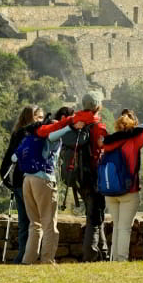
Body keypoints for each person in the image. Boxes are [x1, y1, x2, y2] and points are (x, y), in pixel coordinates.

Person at [40, 92, 108, 262]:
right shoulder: (97, 126)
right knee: (94, 215)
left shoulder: (73, 120)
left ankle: (103, 253)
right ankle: (91, 254)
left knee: (94, 212)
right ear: (98, 106)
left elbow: (46, 131)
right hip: (94, 176)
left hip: (77, 176)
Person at [100, 108, 143, 261]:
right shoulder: (133, 140)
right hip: (128, 190)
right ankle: (121, 259)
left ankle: (114, 259)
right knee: (124, 228)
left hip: (110, 192)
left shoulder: (108, 143)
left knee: (117, 225)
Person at [17, 110, 76, 264]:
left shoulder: (32, 136)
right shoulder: (50, 136)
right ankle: (47, 260)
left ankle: (27, 260)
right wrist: (72, 127)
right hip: (44, 179)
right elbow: (53, 136)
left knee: (34, 224)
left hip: (27, 179)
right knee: (49, 223)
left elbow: (14, 157)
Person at [0, 105, 44, 263]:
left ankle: (22, 255)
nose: (41, 121)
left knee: (24, 221)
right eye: (39, 117)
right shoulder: (30, 135)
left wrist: (7, 181)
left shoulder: (17, 133)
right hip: (28, 181)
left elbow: (7, 158)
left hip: (18, 182)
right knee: (34, 220)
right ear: (32, 117)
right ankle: (27, 256)